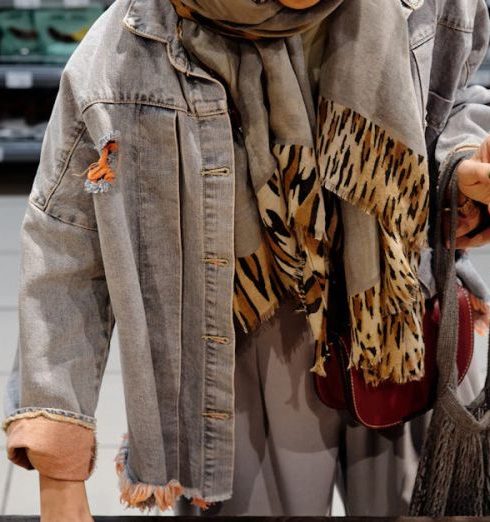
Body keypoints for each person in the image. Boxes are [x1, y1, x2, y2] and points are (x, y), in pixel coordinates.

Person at [2, 0, 490, 520]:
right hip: (241, 339)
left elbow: (455, 92)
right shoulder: (129, 49)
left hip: (397, 316)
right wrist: (59, 473)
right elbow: (67, 241)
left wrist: (458, 168)